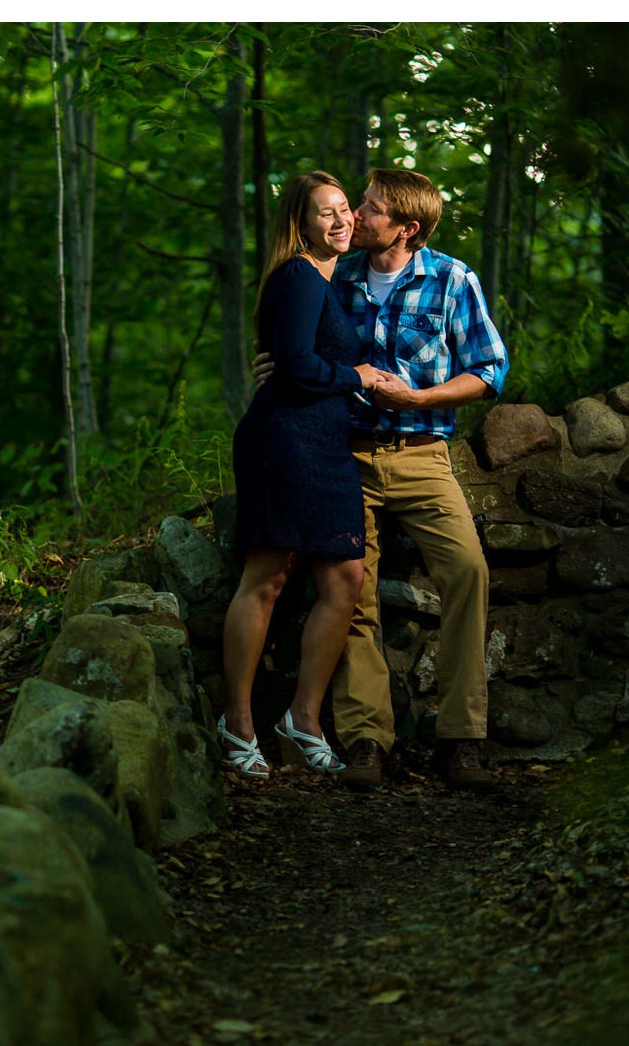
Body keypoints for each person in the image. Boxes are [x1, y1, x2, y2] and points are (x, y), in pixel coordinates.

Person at [253, 167, 509, 789]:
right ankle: (367, 738)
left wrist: (422, 401)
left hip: (424, 456)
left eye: (369, 208)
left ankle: (462, 738)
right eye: (356, 206)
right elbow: (301, 351)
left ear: (407, 228)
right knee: (351, 593)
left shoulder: (451, 279)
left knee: (468, 572)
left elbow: (489, 369)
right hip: (344, 454)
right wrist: (281, 367)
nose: (356, 216)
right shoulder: (332, 276)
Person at [219, 171, 391, 778]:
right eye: (327, 213)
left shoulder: (329, 278)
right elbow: (292, 367)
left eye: (347, 209)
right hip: (284, 440)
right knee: (267, 578)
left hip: (325, 443)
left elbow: (293, 356)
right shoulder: (296, 274)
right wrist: (360, 376)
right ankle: (238, 726)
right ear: (301, 222)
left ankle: (302, 720)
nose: (342, 220)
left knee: (344, 578)